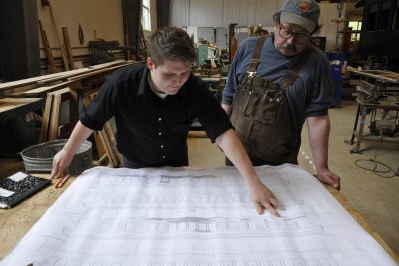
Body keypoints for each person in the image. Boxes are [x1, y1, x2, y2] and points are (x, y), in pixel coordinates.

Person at [50, 26, 280, 216]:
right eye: (170, 74)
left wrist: (253, 182)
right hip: (135, 166)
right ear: (151, 64)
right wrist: (68, 151)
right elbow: (90, 120)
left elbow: (223, 132)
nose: (178, 81)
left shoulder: (194, 88)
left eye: (185, 73)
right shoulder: (122, 84)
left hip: (177, 167)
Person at [222, 0, 341, 189]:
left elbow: (318, 118)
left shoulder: (317, 63)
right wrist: (221, 135)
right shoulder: (248, 47)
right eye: (287, 30)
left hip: (280, 162)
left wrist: (322, 167)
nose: (291, 40)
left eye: (302, 35)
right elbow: (228, 95)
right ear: (277, 23)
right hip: (236, 156)